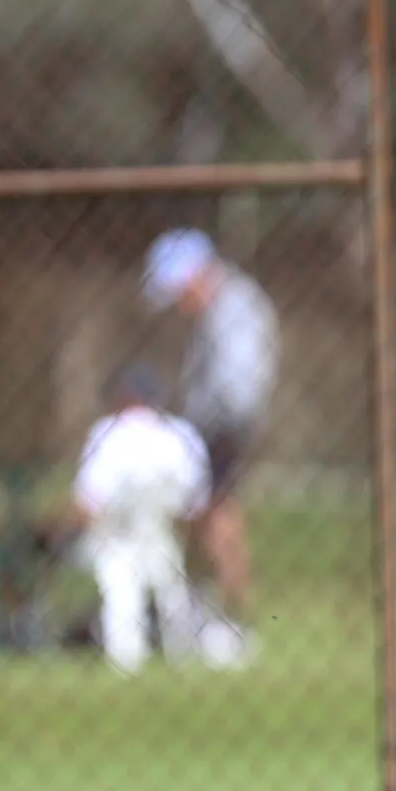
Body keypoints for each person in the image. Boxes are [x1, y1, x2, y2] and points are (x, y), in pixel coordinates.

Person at [55, 365, 247, 673]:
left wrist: (55, 531)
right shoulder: (180, 435)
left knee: (117, 583)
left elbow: (87, 504)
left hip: (113, 539)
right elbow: (196, 504)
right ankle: (183, 647)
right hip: (162, 537)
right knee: (171, 585)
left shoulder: (108, 433)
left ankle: (123, 653)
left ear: (122, 398)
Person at [142, 230, 278, 624]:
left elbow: (238, 388)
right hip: (211, 428)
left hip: (223, 430)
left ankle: (229, 611)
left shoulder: (235, 308)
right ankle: (200, 603)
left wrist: (200, 431)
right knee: (201, 514)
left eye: (178, 294)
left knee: (216, 514)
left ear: (194, 277)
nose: (179, 307)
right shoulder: (219, 309)